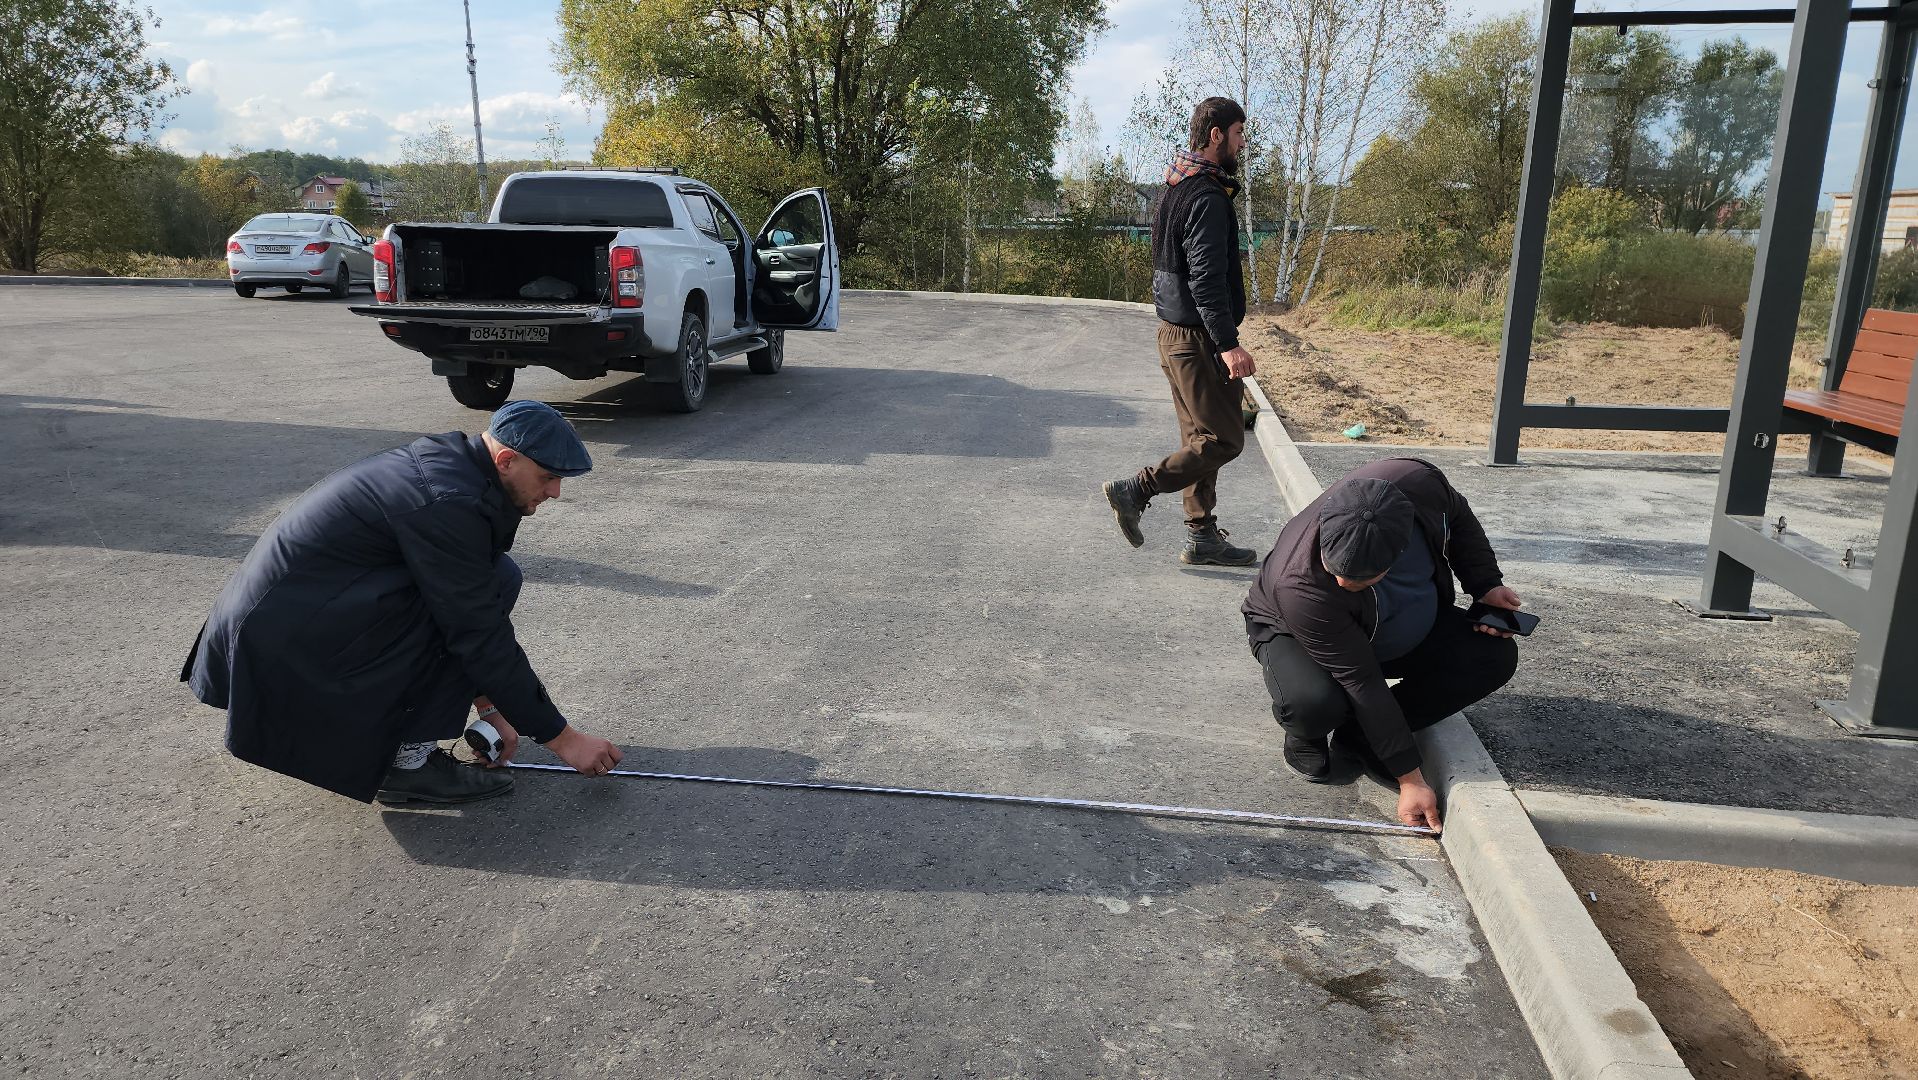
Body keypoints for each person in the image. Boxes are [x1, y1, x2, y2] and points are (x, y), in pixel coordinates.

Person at [181, 400, 624, 805]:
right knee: (461, 615)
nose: (555, 493)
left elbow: (475, 601)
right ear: (506, 461)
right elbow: (477, 632)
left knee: (496, 578)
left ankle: (404, 742)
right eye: (548, 477)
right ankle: (406, 764)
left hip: (301, 619)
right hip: (282, 645)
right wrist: (563, 740)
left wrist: (491, 707)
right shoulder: (448, 502)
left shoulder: (458, 467)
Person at [1241, 458, 1524, 832]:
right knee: (1315, 704)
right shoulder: (1300, 585)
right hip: (1298, 634)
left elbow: (1458, 520)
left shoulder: (1420, 484)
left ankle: (1362, 739)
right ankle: (1305, 732)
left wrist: (1485, 584)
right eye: (1336, 570)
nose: (1342, 583)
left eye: (1358, 578)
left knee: (1494, 656)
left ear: (1398, 550)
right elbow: (1362, 679)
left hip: (1395, 623)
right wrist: (1411, 779)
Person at [1103, 96, 1260, 567]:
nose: (1241, 144)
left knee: (1199, 442)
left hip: (1174, 334)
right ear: (1216, 134)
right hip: (1198, 339)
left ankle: (1202, 536)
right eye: (1238, 134)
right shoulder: (1206, 197)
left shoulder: (1174, 186)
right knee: (1224, 441)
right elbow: (1206, 278)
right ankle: (1137, 489)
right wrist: (1228, 344)